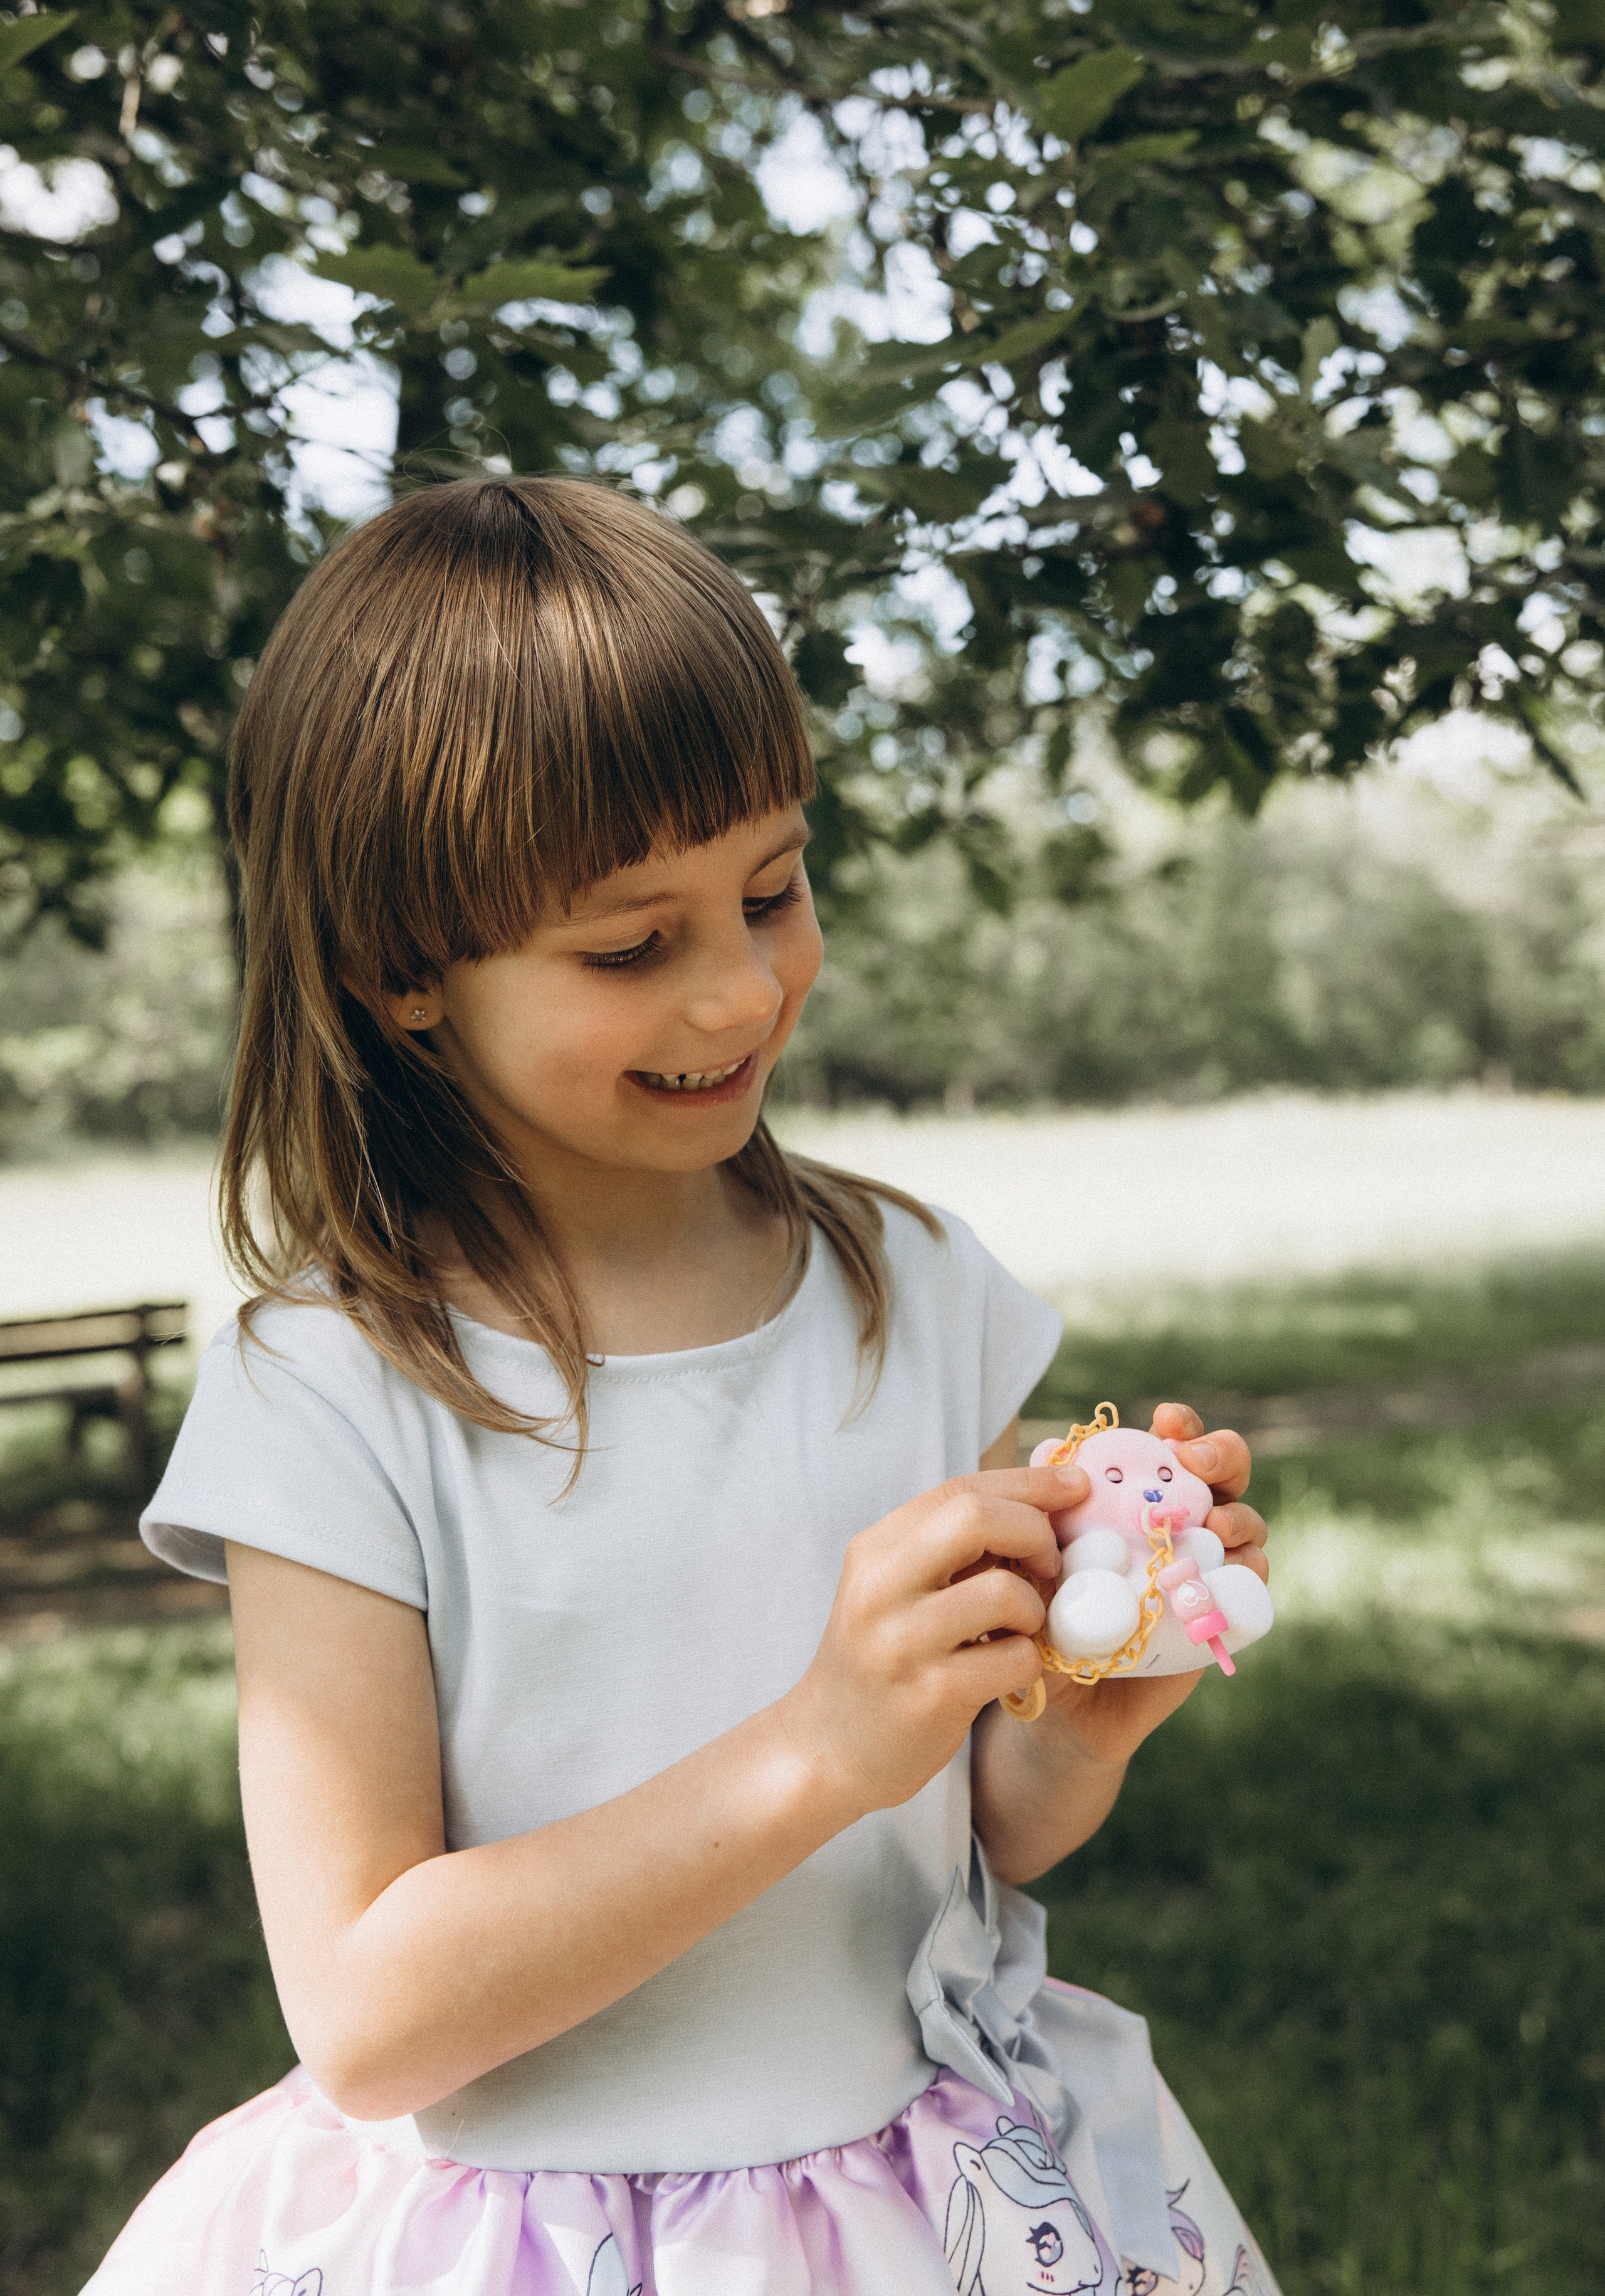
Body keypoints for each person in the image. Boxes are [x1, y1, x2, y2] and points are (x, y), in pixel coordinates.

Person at [84, 477, 1277, 2296]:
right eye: (631, 946)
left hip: (915, 2213)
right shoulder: (332, 1392)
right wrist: (810, 1748)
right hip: (523, 2236)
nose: (740, 992)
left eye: (773, 888)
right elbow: (370, 2017)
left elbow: (969, 1832)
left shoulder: (916, 1294)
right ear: (403, 970)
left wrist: (1072, 1719)